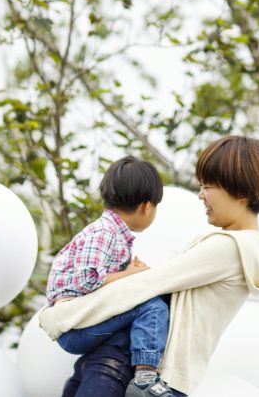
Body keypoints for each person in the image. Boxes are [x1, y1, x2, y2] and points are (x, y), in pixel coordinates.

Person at [41, 135, 259, 397]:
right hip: (124, 362)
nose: (200, 195)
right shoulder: (237, 246)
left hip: (132, 369)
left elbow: (143, 287)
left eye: (208, 186)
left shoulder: (229, 247)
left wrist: (61, 315)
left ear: (241, 191)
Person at [46, 156, 175, 396]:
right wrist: (129, 275)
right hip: (76, 324)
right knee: (153, 306)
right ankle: (146, 376)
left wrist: (128, 273)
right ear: (147, 206)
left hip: (83, 320)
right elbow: (86, 280)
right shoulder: (104, 232)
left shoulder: (111, 232)